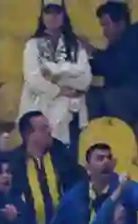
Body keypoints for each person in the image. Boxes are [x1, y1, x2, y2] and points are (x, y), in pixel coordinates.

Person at [0, 111, 83, 224]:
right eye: (44, 129)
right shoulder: (12, 164)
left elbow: (78, 183)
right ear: (29, 134)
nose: (49, 131)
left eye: (48, 127)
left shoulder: (61, 156)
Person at [20, 1, 92, 147]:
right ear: (42, 16)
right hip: (38, 103)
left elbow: (85, 79)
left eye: (57, 12)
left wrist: (55, 76)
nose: (53, 17)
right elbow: (33, 79)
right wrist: (59, 89)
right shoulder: (32, 45)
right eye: (48, 12)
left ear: (63, 15)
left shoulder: (75, 45)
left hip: (70, 107)